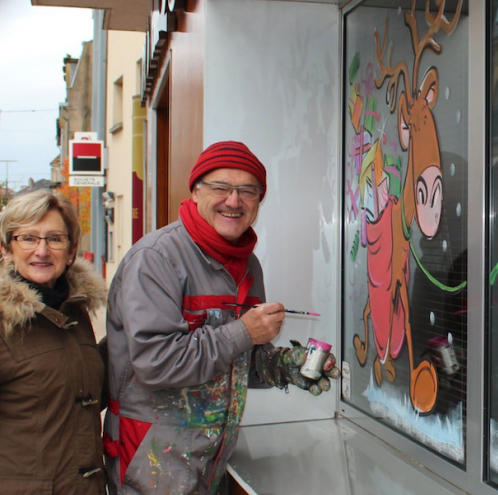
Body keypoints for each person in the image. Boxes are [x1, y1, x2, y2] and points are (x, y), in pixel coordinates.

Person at [103, 141, 339, 494]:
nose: (234, 201)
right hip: (151, 464)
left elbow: (236, 361)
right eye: (221, 188)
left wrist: (285, 365)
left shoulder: (248, 265)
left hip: (210, 462)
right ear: (196, 191)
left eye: (248, 191)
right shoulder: (156, 259)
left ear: (259, 201)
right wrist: (244, 331)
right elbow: (156, 363)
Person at [0, 190, 107, 494]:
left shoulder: (74, 309)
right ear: (6, 248)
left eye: (55, 238)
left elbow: (75, 392)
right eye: (28, 238)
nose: (42, 250)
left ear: (71, 250)